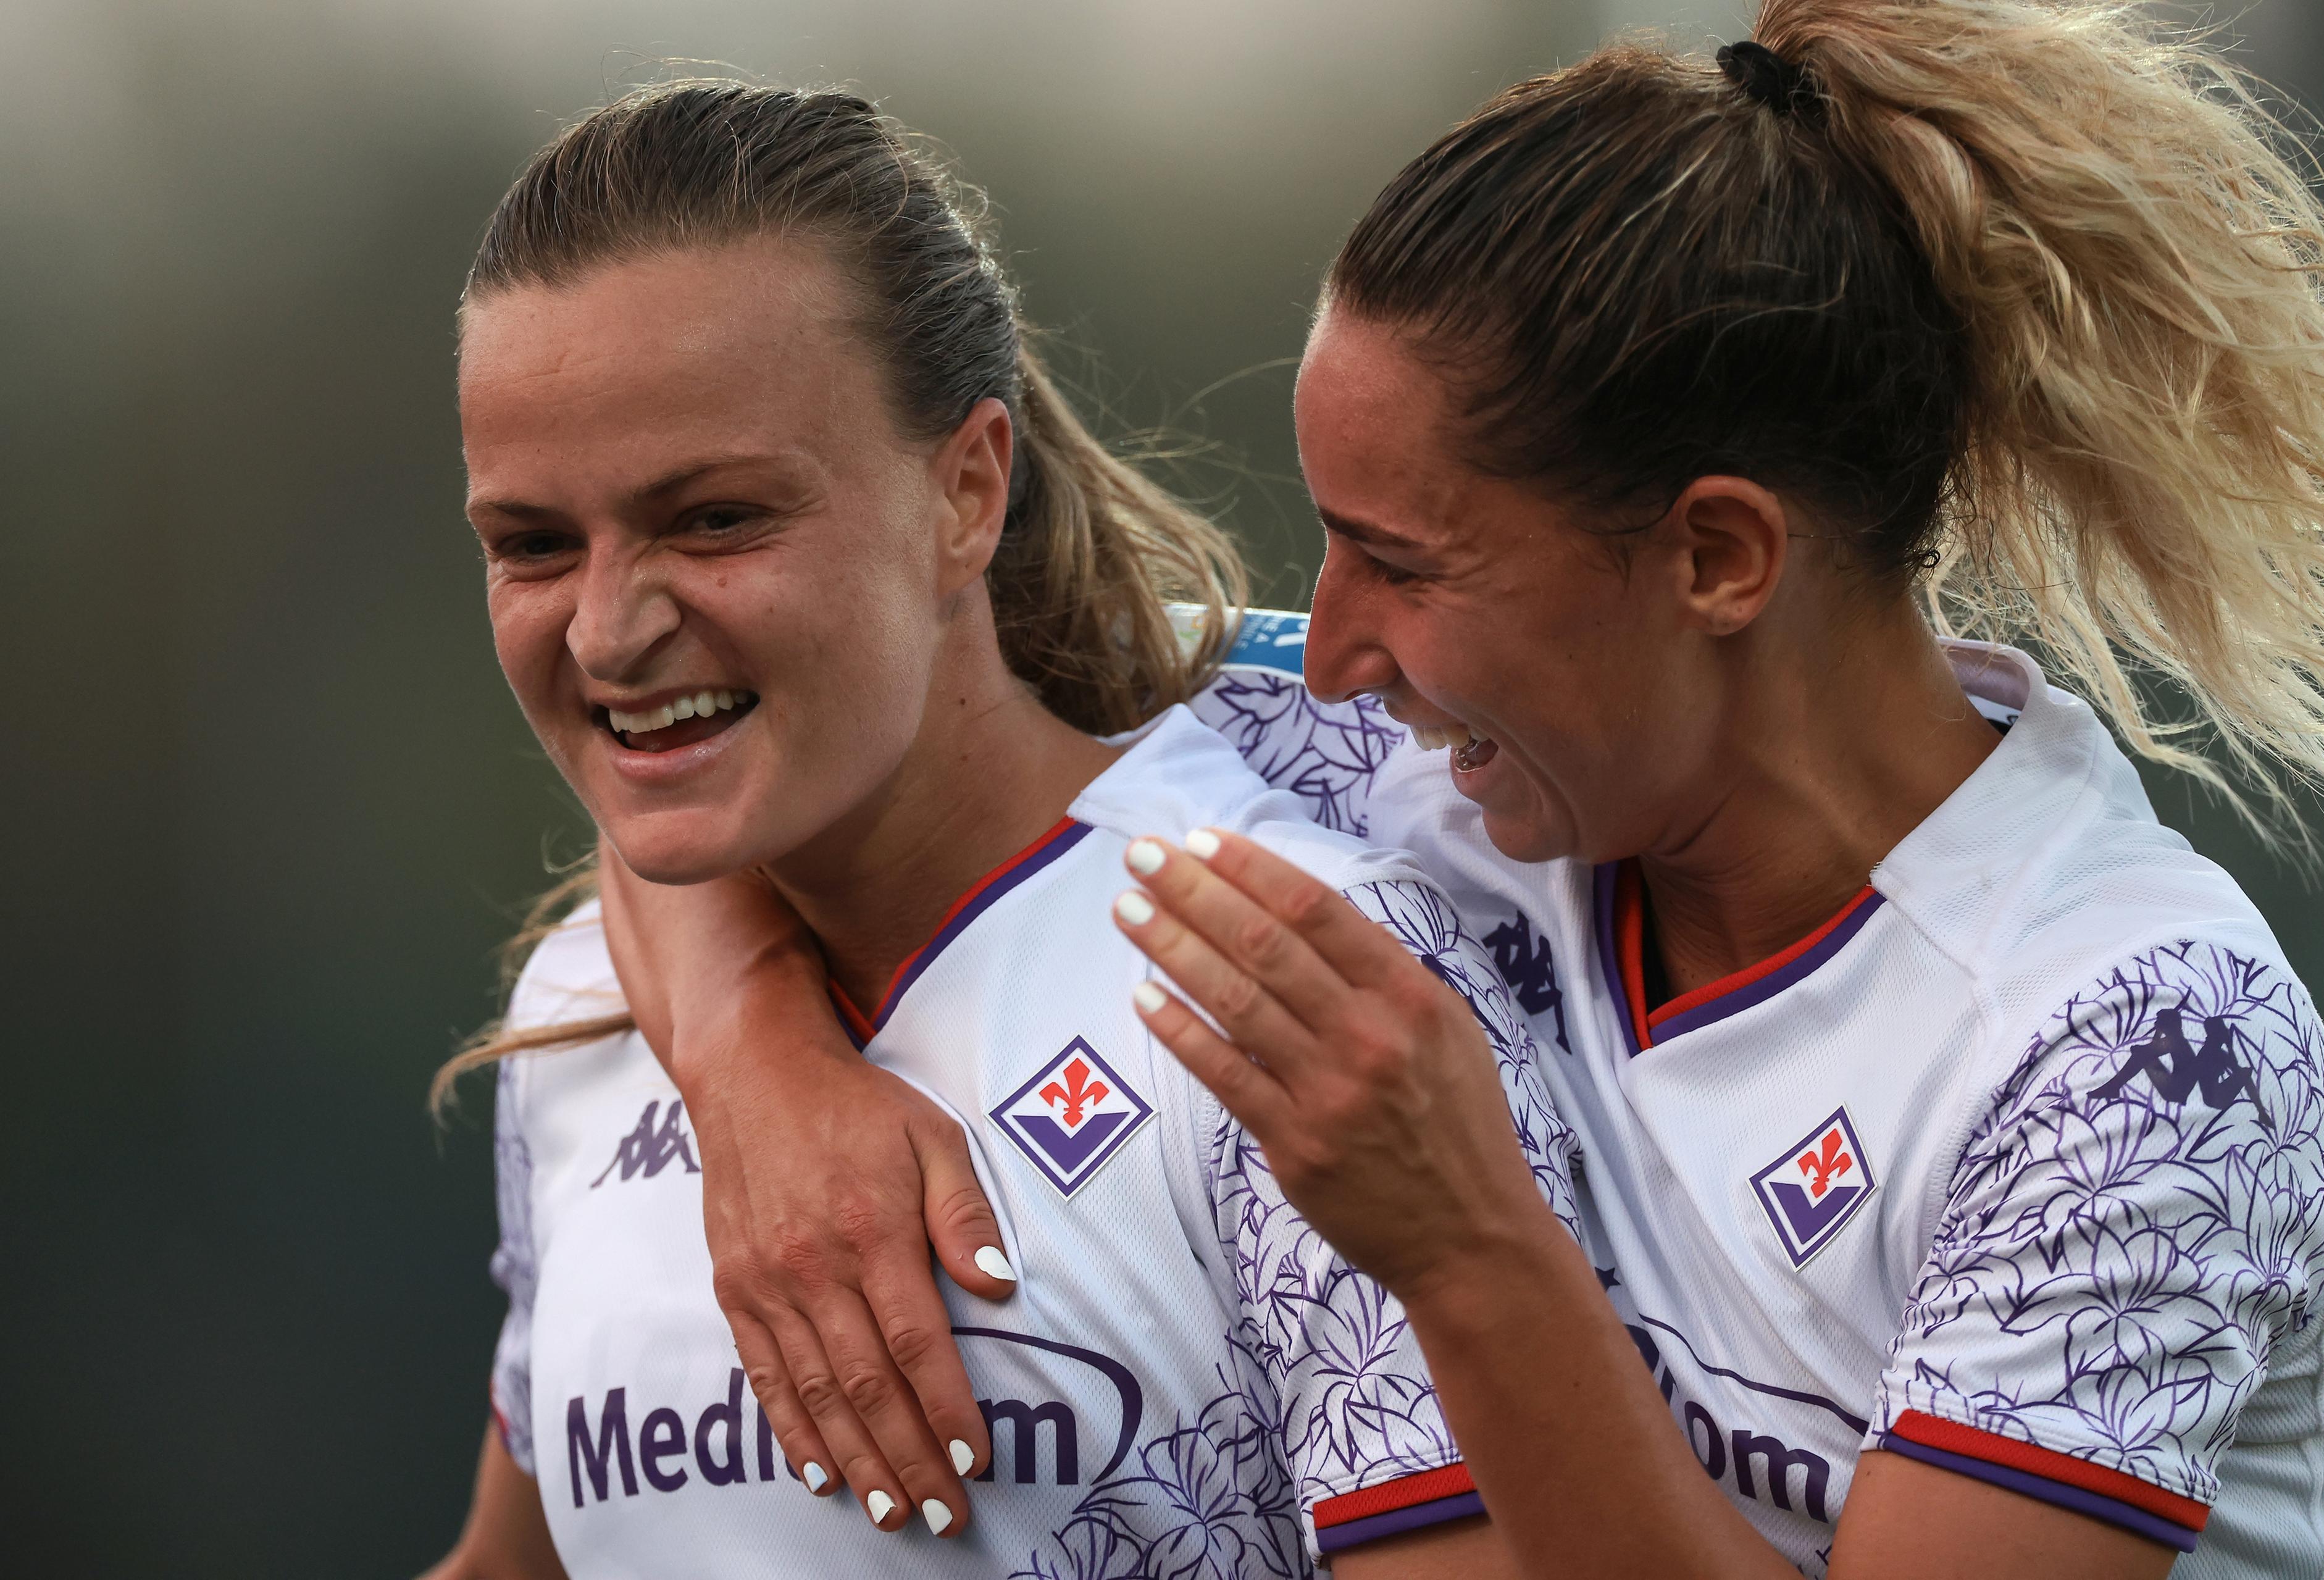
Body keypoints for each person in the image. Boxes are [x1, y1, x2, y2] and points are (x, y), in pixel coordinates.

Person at [591, 4, 2324, 1578]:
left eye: (1404, 561)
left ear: (1719, 557)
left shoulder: (2137, 1043)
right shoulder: (1350, 744)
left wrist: (1467, 1249)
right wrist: (761, 1075)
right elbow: (738, 733)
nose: (1331, 651)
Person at [422, 80, 1579, 1580]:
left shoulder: (1296, 969)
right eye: (532, 544)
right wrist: (742, 1047)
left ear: (967, 489)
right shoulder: (585, 1002)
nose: (607, 629)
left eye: (715, 518)